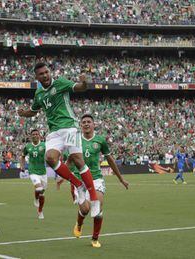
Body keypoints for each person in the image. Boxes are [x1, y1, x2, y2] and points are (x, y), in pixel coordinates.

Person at [18, 62, 100, 217]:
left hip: (69, 126)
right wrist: (24, 113)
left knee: (77, 159)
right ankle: (78, 185)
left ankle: (94, 199)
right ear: (37, 77)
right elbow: (33, 111)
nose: (45, 75)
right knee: (50, 158)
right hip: (54, 132)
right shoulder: (39, 94)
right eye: (41, 74)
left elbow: (80, 88)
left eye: (47, 72)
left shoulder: (61, 82)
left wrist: (84, 82)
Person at [67, 114, 129, 248]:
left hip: (96, 179)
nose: (86, 124)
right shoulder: (75, 141)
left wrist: (121, 179)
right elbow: (70, 161)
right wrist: (63, 177)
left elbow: (111, 160)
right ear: (81, 125)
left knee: (98, 207)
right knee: (85, 209)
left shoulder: (100, 140)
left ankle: (95, 238)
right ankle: (79, 222)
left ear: (94, 124)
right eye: (83, 122)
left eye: (89, 121)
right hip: (79, 180)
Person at [20, 129, 47, 219]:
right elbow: (22, 156)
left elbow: (49, 155)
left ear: (39, 135)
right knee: (39, 188)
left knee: (42, 193)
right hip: (32, 171)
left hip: (43, 172)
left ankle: (40, 210)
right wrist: (22, 166)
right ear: (31, 136)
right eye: (33, 134)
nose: (35, 135)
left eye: (36, 134)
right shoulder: (28, 146)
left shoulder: (44, 145)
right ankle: (36, 199)